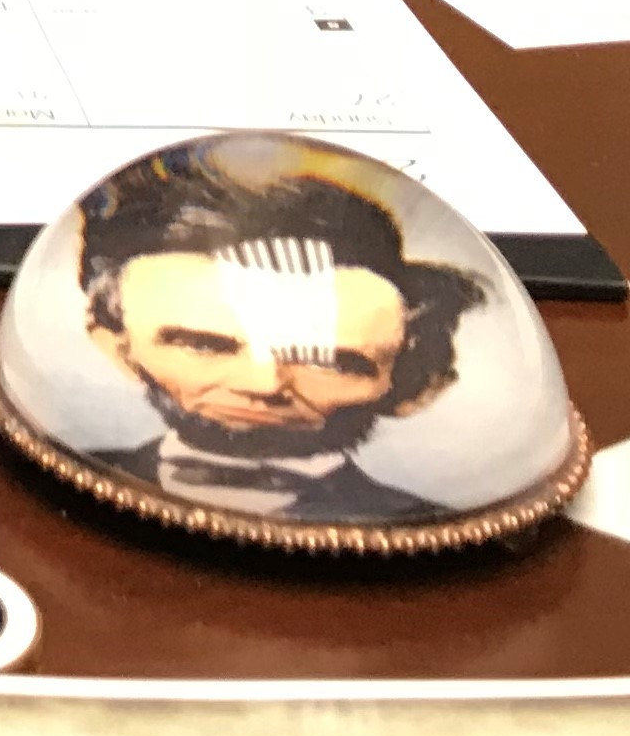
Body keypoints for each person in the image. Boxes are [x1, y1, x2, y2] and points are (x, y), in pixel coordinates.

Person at [71, 141, 485, 527]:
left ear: (416, 386)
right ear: (119, 346)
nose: (265, 385)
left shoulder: (426, 526)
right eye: (204, 345)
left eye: (328, 361)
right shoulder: (70, 479)